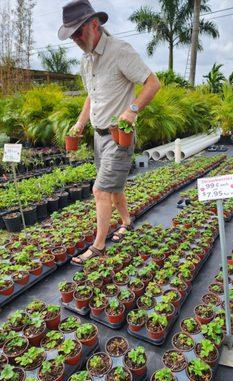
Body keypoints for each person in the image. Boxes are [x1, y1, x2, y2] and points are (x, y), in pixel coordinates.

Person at [58, 0, 160, 264]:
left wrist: (133, 109)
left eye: (78, 33)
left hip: (118, 136)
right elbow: (91, 96)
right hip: (97, 135)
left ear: (94, 24)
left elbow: (153, 83)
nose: (76, 40)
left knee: (100, 190)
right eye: (72, 36)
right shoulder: (86, 60)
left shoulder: (120, 51)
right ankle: (126, 221)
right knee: (113, 187)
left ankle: (99, 246)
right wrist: (80, 123)